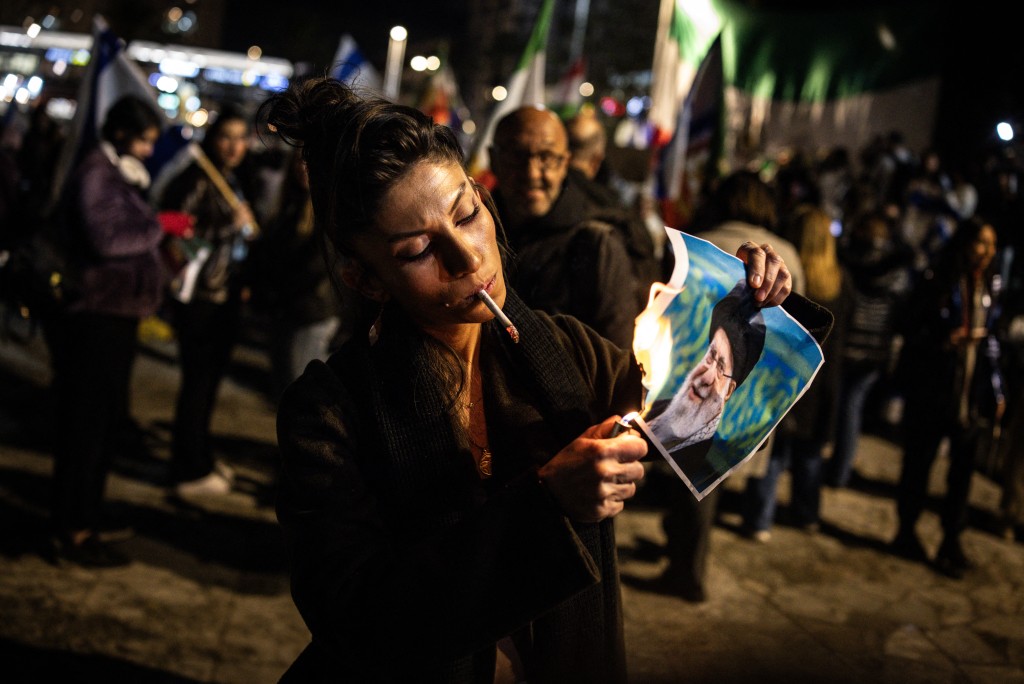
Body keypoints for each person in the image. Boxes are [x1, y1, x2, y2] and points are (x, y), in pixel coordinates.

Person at [258, 76, 793, 682]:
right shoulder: (329, 413)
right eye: (416, 252)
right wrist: (545, 509)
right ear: (367, 279)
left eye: (467, 214)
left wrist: (746, 308)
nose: (468, 258)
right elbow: (354, 618)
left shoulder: (570, 351)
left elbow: (702, 422)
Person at [47, 95, 166, 567]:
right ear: (120, 134)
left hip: (116, 315)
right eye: (143, 140)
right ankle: (74, 528)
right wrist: (158, 226)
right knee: (87, 425)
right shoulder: (97, 173)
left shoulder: (118, 173)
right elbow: (106, 238)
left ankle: (87, 516)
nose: (148, 150)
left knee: (102, 422)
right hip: (95, 316)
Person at [891, 215, 1004, 578]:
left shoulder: (990, 285)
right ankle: (906, 529)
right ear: (965, 244)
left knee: (962, 473)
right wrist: (943, 338)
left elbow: (994, 342)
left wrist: (996, 390)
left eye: (992, 244)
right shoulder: (939, 280)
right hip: (935, 387)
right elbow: (910, 325)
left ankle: (951, 539)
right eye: (981, 242)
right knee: (919, 462)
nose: (987, 251)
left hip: (970, 392)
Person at [156, 105, 261, 497]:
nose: (235, 146)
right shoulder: (196, 178)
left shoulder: (229, 178)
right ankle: (186, 469)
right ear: (211, 139)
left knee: (209, 382)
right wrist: (226, 228)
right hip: (201, 298)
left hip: (225, 293)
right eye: (225, 137)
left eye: (241, 138)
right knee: (198, 384)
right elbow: (175, 231)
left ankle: (198, 456)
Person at [489, 105, 656, 348]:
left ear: (565, 163)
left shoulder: (597, 244)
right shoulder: (470, 235)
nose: (532, 172)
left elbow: (615, 363)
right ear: (494, 160)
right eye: (517, 156)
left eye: (546, 158)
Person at [742, 205, 853, 541]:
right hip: (822, 377)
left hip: (785, 371)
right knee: (809, 454)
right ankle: (807, 513)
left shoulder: (786, 279)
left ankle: (760, 520)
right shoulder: (840, 281)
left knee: (774, 453)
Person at [826, 210, 913, 488]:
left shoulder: (850, 262)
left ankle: (834, 469)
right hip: (876, 350)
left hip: (849, 344)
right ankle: (840, 472)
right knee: (853, 408)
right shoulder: (897, 271)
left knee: (843, 406)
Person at [647, 279, 767, 470]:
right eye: (710, 356)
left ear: (728, 392)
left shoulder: (712, 455)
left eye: (721, 368)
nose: (705, 377)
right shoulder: (656, 407)